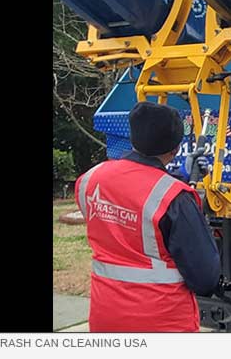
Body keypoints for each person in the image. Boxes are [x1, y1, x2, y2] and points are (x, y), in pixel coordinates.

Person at [75, 101, 221, 332]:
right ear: (175, 148)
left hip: (106, 317)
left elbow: (132, 201)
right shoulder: (176, 199)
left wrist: (178, 176)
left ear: (133, 139)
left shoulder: (90, 179)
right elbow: (205, 280)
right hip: (162, 323)